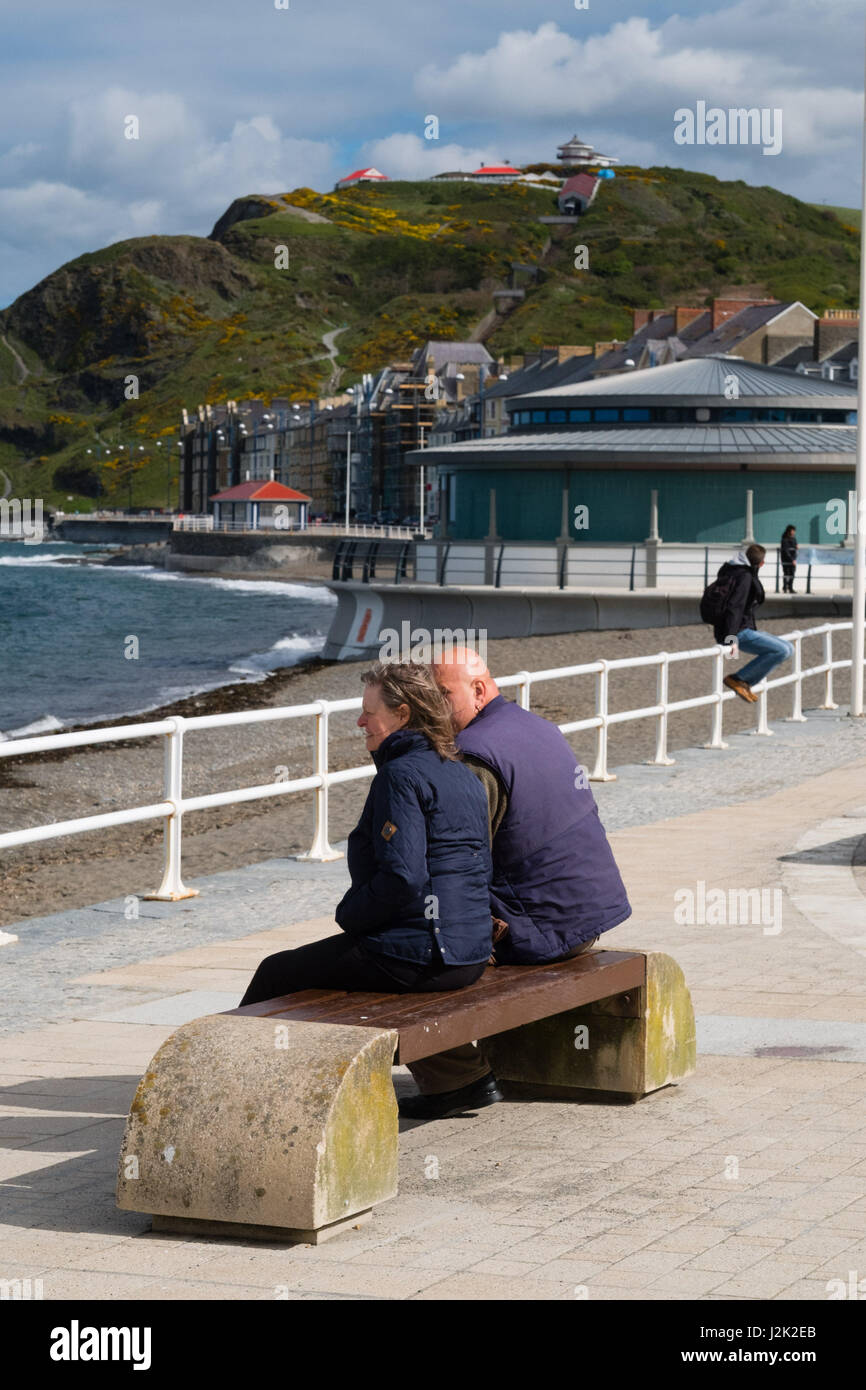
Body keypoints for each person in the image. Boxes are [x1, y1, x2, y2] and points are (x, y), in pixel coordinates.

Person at [398, 646, 632, 1121]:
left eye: (443, 695)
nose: (433, 708)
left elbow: (457, 865)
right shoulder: (538, 727)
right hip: (587, 914)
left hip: (544, 929)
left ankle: (457, 1081)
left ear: (480, 690)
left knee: (401, 958)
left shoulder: (473, 756)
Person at [239, 662, 493, 1014]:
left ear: (402, 714)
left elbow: (403, 877)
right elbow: (479, 867)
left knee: (275, 972)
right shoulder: (460, 772)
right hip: (471, 954)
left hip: (425, 958)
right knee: (313, 966)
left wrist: (350, 915)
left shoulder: (400, 775)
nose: (361, 722)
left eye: (369, 713)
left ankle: (231, 1066)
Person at [716, 543, 794, 703]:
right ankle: (738, 679)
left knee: (790, 648)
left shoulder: (734, 571)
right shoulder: (744, 577)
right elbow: (734, 606)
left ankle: (744, 682)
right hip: (738, 632)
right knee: (781, 651)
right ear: (761, 563)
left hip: (743, 627)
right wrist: (731, 639)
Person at [780, 525, 798, 594]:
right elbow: (786, 551)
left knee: (792, 574)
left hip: (793, 560)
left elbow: (795, 547)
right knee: (786, 573)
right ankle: (785, 587)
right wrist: (791, 560)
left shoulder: (793, 539)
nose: (794, 532)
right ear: (789, 531)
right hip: (786, 560)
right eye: (793, 530)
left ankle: (790, 588)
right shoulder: (784, 539)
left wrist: (796, 546)